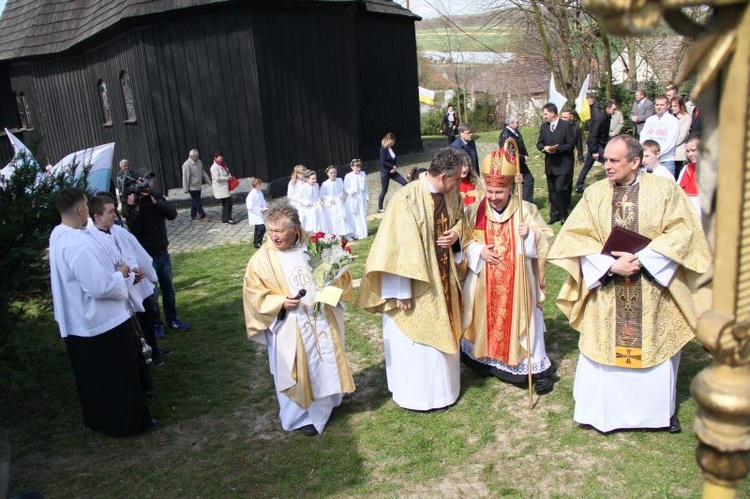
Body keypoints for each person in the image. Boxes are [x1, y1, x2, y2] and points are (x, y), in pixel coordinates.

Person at [548, 135, 712, 434]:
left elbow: (684, 231)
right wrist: (611, 265)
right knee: (604, 350)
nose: (606, 165)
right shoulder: (596, 193)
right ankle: (602, 412)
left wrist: (644, 258)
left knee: (654, 347)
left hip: (651, 289)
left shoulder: (664, 190)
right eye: (605, 159)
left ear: (635, 162)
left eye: (614, 160)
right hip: (609, 290)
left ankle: (654, 414)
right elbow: (575, 237)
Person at [355, 147, 466, 411]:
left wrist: (456, 236)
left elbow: (461, 220)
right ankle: (416, 396)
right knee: (417, 345)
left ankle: (444, 392)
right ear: (442, 177)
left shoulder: (452, 195)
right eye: (455, 180)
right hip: (413, 288)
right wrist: (400, 289)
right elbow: (396, 245)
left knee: (443, 335)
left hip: (444, 281)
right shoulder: (407, 199)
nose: (458, 185)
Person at [49, 187, 156, 437]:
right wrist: (121, 274)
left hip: (81, 322)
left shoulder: (60, 234)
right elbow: (99, 286)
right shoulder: (76, 244)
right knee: (117, 377)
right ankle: (127, 423)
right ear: (81, 209)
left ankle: (99, 418)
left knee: (94, 379)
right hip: (101, 322)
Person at [242, 202, 355, 436]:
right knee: (294, 368)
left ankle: (329, 402)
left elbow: (340, 276)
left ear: (295, 229)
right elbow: (253, 295)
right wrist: (279, 302)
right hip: (290, 324)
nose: (273, 236)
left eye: (279, 231)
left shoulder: (315, 245)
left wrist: (331, 284)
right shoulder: (261, 260)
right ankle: (300, 416)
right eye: (271, 231)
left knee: (326, 361)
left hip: (322, 317)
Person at [461, 148, 556, 394]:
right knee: (486, 318)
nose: (493, 197)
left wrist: (531, 236)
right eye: (489, 191)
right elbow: (465, 239)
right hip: (486, 282)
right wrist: (478, 251)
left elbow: (548, 239)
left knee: (526, 321)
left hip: (519, 284)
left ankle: (532, 366)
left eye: (498, 192)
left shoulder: (526, 210)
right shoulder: (476, 211)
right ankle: (487, 360)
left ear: (511, 188)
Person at [88, 193, 168, 370]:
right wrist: (128, 275)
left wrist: (139, 270)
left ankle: (153, 351)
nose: (114, 216)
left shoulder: (118, 231)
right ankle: (143, 360)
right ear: (97, 216)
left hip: (137, 285)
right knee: (134, 330)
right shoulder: (93, 240)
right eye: (110, 212)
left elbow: (133, 252)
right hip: (121, 291)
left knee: (146, 320)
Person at [125, 169, 190, 332]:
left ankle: (172, 319)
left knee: (169, 290)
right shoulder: (134, 202)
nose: (149, 184)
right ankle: (156, 323)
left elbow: (172, 214)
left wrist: (156, 202)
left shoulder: (158, 197)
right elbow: (133, 227)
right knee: (152, 294)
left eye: (151, 180)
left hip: (163, 252)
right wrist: (134, 208)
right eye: (146, 180)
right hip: (147, 256)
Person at [537, 103, 576, 224]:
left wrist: (557, 149)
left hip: (563, 164)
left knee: (560, 189)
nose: (544, 116)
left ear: (552, 113)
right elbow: (539, 143)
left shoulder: (565, 126)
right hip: (550, 165)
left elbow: (570, 144)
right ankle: (554, 215)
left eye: (545, 114)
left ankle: (564, 214)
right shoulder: (544, 127)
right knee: (552, 191)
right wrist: (544, 148)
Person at [575, 99, 611, 193]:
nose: (615, 111)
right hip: (595, 145)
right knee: (609, 162)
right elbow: (594, 134)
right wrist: (594, 150)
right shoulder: (600, 118)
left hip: (597, 145)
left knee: (587, 166)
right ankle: (613, 184)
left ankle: (578, 186)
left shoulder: (607, 117)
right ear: (608, 108)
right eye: (614, 109)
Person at [639, 95, 680, 177]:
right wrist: (646, 154)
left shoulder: (673, 121)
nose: (659, 107)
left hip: (665, 161)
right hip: (648, 161)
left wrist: (655, 154)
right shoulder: (650, 120)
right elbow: (643, 138)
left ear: (668, 106)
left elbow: (670, 143)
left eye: (662, 105)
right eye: (657, 105)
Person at [498, 114, 534, 203]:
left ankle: (526, 203)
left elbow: (521, 144)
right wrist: (522, 157)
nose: (518, 124)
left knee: (529, 180)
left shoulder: (516, 131)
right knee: (511, 184)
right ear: (510, 123)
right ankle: (508, 203)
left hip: (519, 162)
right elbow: (509, 151)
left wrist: (525, 154)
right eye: (516, 122)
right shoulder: (505, 135)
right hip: (511, 163)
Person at [377, 132, 408, 212]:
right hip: (385, 173)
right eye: (393, 141)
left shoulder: (390, 149)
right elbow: (383, 162)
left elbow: (393, 159)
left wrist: (394, 167)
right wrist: (392, 166)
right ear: (389, 140)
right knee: (384, 190)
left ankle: (407, 199)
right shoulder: (383, 149)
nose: (394, 142)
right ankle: (380, 207)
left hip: (393, 172)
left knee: (405, 183)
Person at [320, 165, 351, 236]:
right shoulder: (325, 184)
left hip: (339, 202)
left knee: (342, 218)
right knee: (333, 219)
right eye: (331, 173)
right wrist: (330, 199)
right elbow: (322, 195)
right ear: (328, 174)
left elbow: (342, 189)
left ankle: (344, 234)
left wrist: (340, 197)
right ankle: (335, 235)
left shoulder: (339, 180)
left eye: (335, 172)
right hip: (330, 204)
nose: (333, 174)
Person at [181, 149, 211, 222]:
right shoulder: (186, 164)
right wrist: (185, 188)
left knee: (194, 201)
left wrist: (209, 181)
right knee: (197, 201)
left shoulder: (199, 162)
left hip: (198, 186)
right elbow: (185, 177)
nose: (197, 157)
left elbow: (203, 172)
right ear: (191, 156)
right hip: (192, 187)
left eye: (198, 156)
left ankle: (193, 215)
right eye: (195, 156)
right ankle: (203, 215)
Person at [677, 134, 701, 216]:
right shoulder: (687, 168)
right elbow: (678, 189)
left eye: (693, 150)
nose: (690, 154)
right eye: (687, 151)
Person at [344, 159, 368, 240]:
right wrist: (350, 191)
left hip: (361, 196)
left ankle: (363, 231)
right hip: (353, 197)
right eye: (356, 167)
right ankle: (356, 232)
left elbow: (365, 186)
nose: (358, 169)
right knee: (355, 214)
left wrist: (366, 196)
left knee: (362, 213)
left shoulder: (363, 174)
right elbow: (346, 186)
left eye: (359, 167)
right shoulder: (348, 176)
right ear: (352, 167)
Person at [670, 96, 692, 179]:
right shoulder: (672, 116)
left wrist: (671, 144)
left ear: (681, 106)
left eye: (675, 106)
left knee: (676, 175)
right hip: (669, 151)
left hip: (678, 150)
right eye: (672, 106)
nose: (673, 108)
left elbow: (682, 135)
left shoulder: (686, 118)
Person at [211, 151, 234, 224]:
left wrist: (229, 176)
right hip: (220, 188)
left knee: (225, 203)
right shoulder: (214, 167)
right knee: (228, 202)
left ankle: (225, 218)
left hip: (224, 187)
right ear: (215, 158)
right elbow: (217, 178)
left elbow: (227, 172)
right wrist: (227, 178)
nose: (221, 158)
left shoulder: (223, 165)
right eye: (219, 156)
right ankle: (228, 218)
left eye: (221, 156)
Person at [245, 178, 268, 248]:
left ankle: (256, 242)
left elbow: (262, 201)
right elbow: (250, 206)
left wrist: (264, 207)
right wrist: (260, 209)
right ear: (257, 185)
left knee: (258, 228)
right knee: (261, 228)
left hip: (259, 213)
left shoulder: (259, 193)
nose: (261, 186)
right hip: (255, 213)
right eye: (260, 185)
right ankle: (258, 242)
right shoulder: (251, 195)